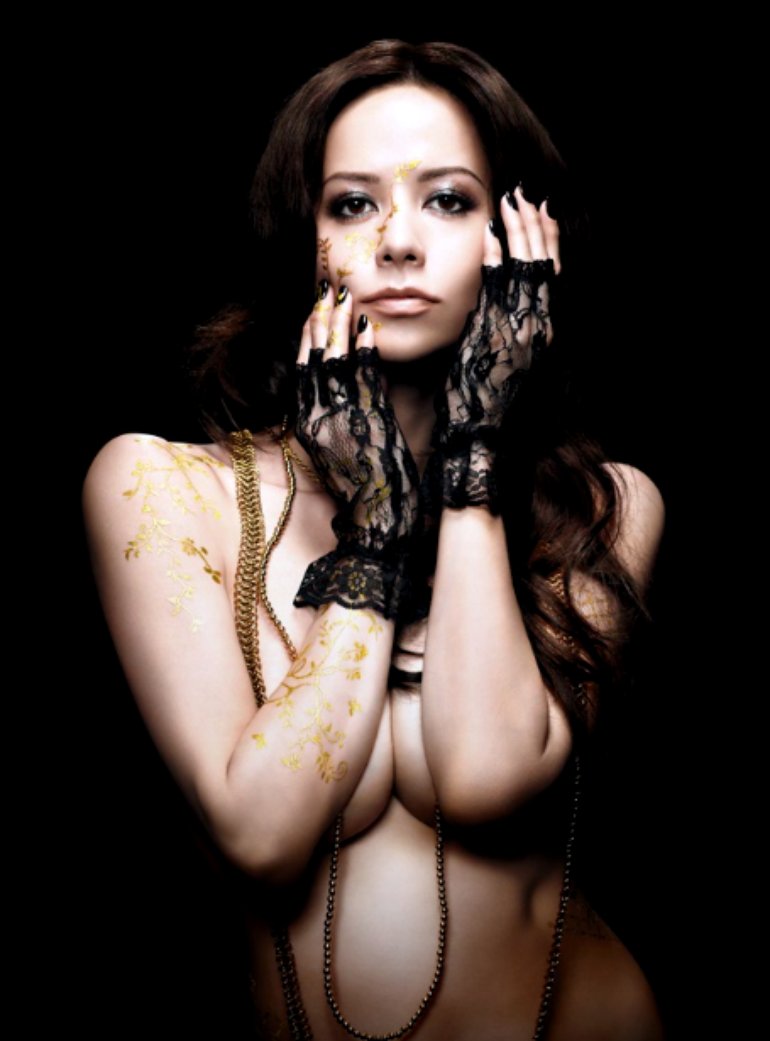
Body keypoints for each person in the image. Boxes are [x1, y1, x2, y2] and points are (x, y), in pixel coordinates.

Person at [83, 39, 666, 1041]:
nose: (397, 242)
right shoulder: (164, 489)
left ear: (517, 238)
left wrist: (472, 452)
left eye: (448, 200)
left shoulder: (604, 506)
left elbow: (483, 776)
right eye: (352, 204)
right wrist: (376, 523)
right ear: (300, 238)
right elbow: (260, 835)